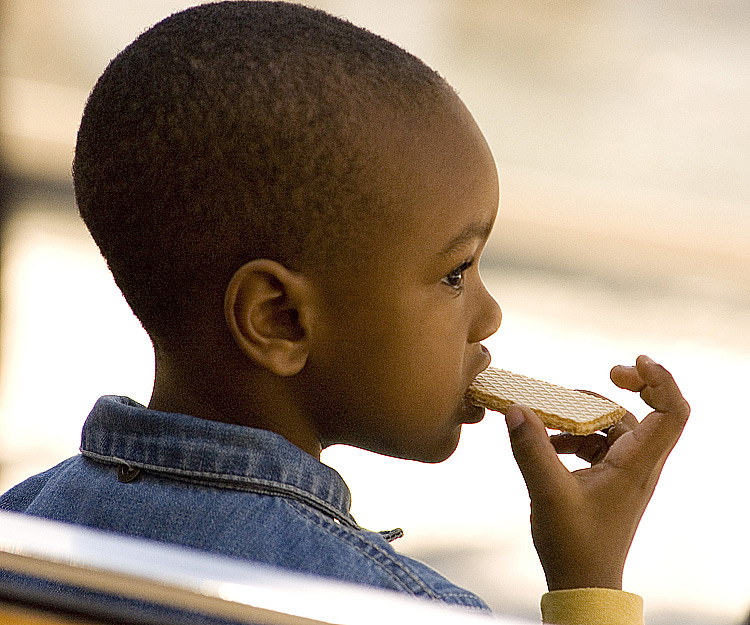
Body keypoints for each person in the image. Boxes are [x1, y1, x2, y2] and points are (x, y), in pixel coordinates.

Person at [0, 3, 690, 624]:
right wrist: (589, 581)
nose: (490, 316)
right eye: (455, 273)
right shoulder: (394, 611)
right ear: (280, 320)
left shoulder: (19, 534)